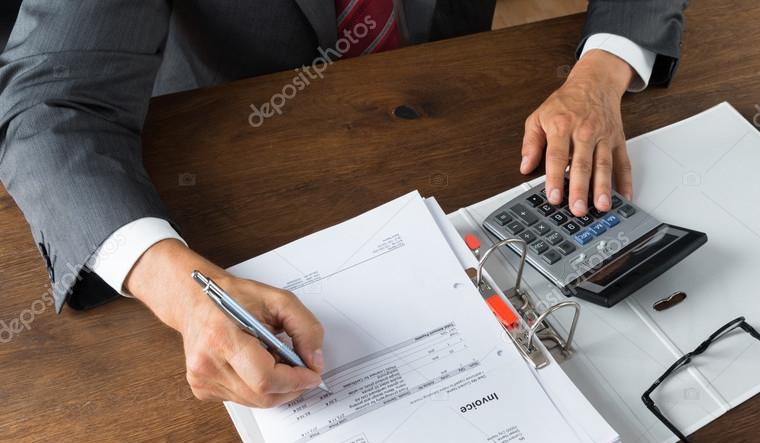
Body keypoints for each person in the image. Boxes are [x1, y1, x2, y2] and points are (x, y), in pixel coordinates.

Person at [0, 0, 687, 407]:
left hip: (455, 118)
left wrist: (604, 67)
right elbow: (51, 106)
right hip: (246, 153)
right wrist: (181, 289)